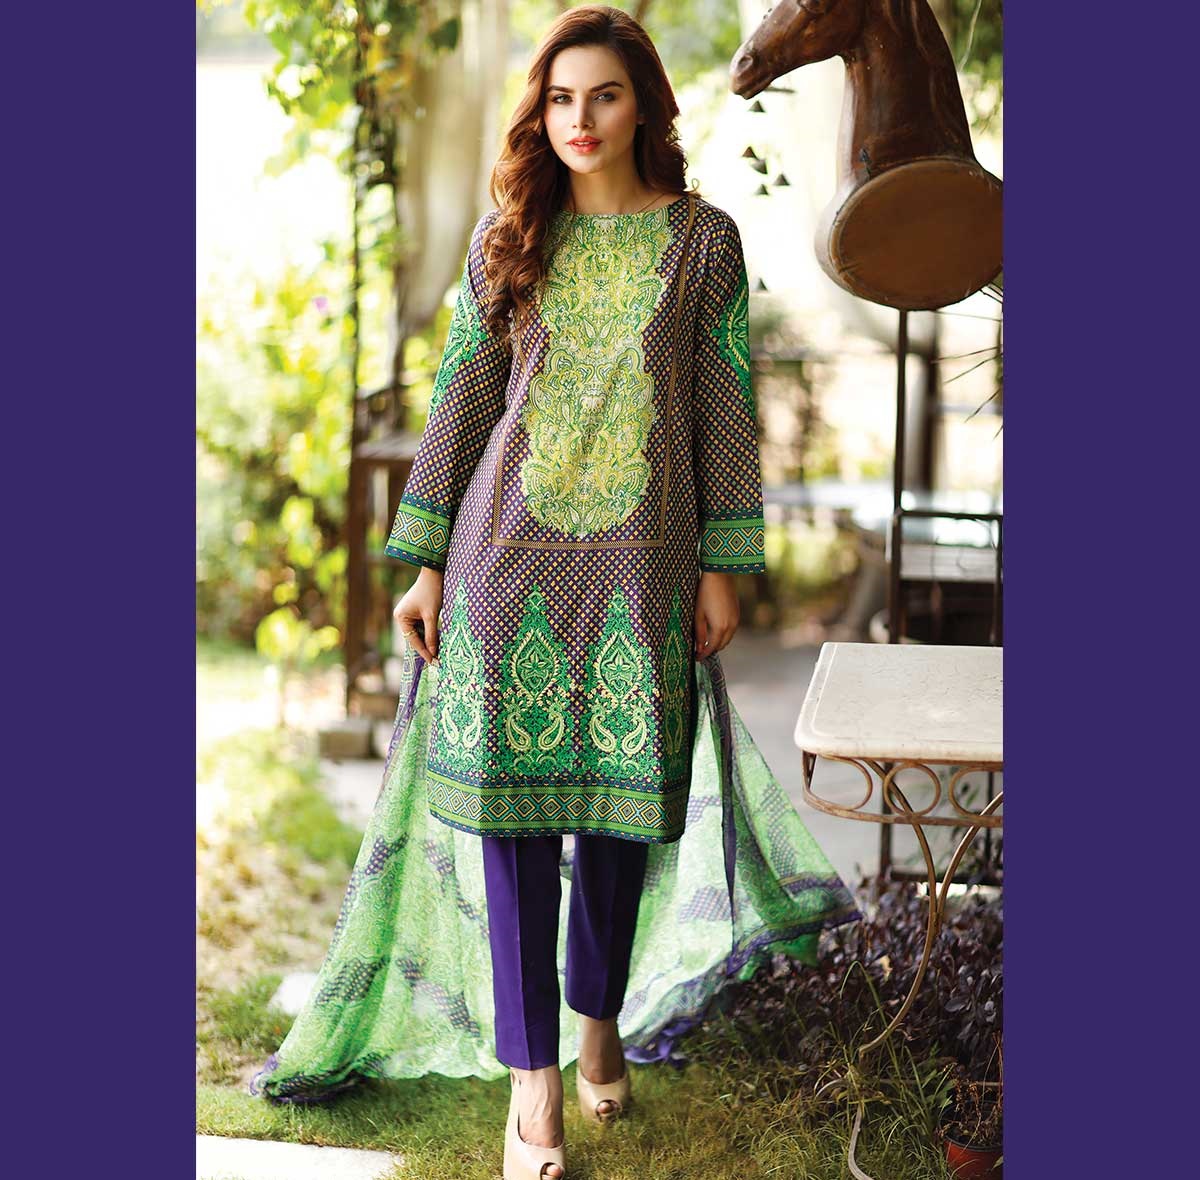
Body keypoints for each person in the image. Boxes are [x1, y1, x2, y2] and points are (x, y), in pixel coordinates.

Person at [250, 8, 859, 1179]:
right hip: (504, 566)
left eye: (605, 96)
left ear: (646, 107)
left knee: (625, 815)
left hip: (642, 569)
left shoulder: (703, 243)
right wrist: (425, 561)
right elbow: (461, 399)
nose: (580, 120)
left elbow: (725, 408)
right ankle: (534, 1082)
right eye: (561, 99)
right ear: (542, 112)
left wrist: (724, 563)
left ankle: (597, 1017)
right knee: (514, 825)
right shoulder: (508, 240)